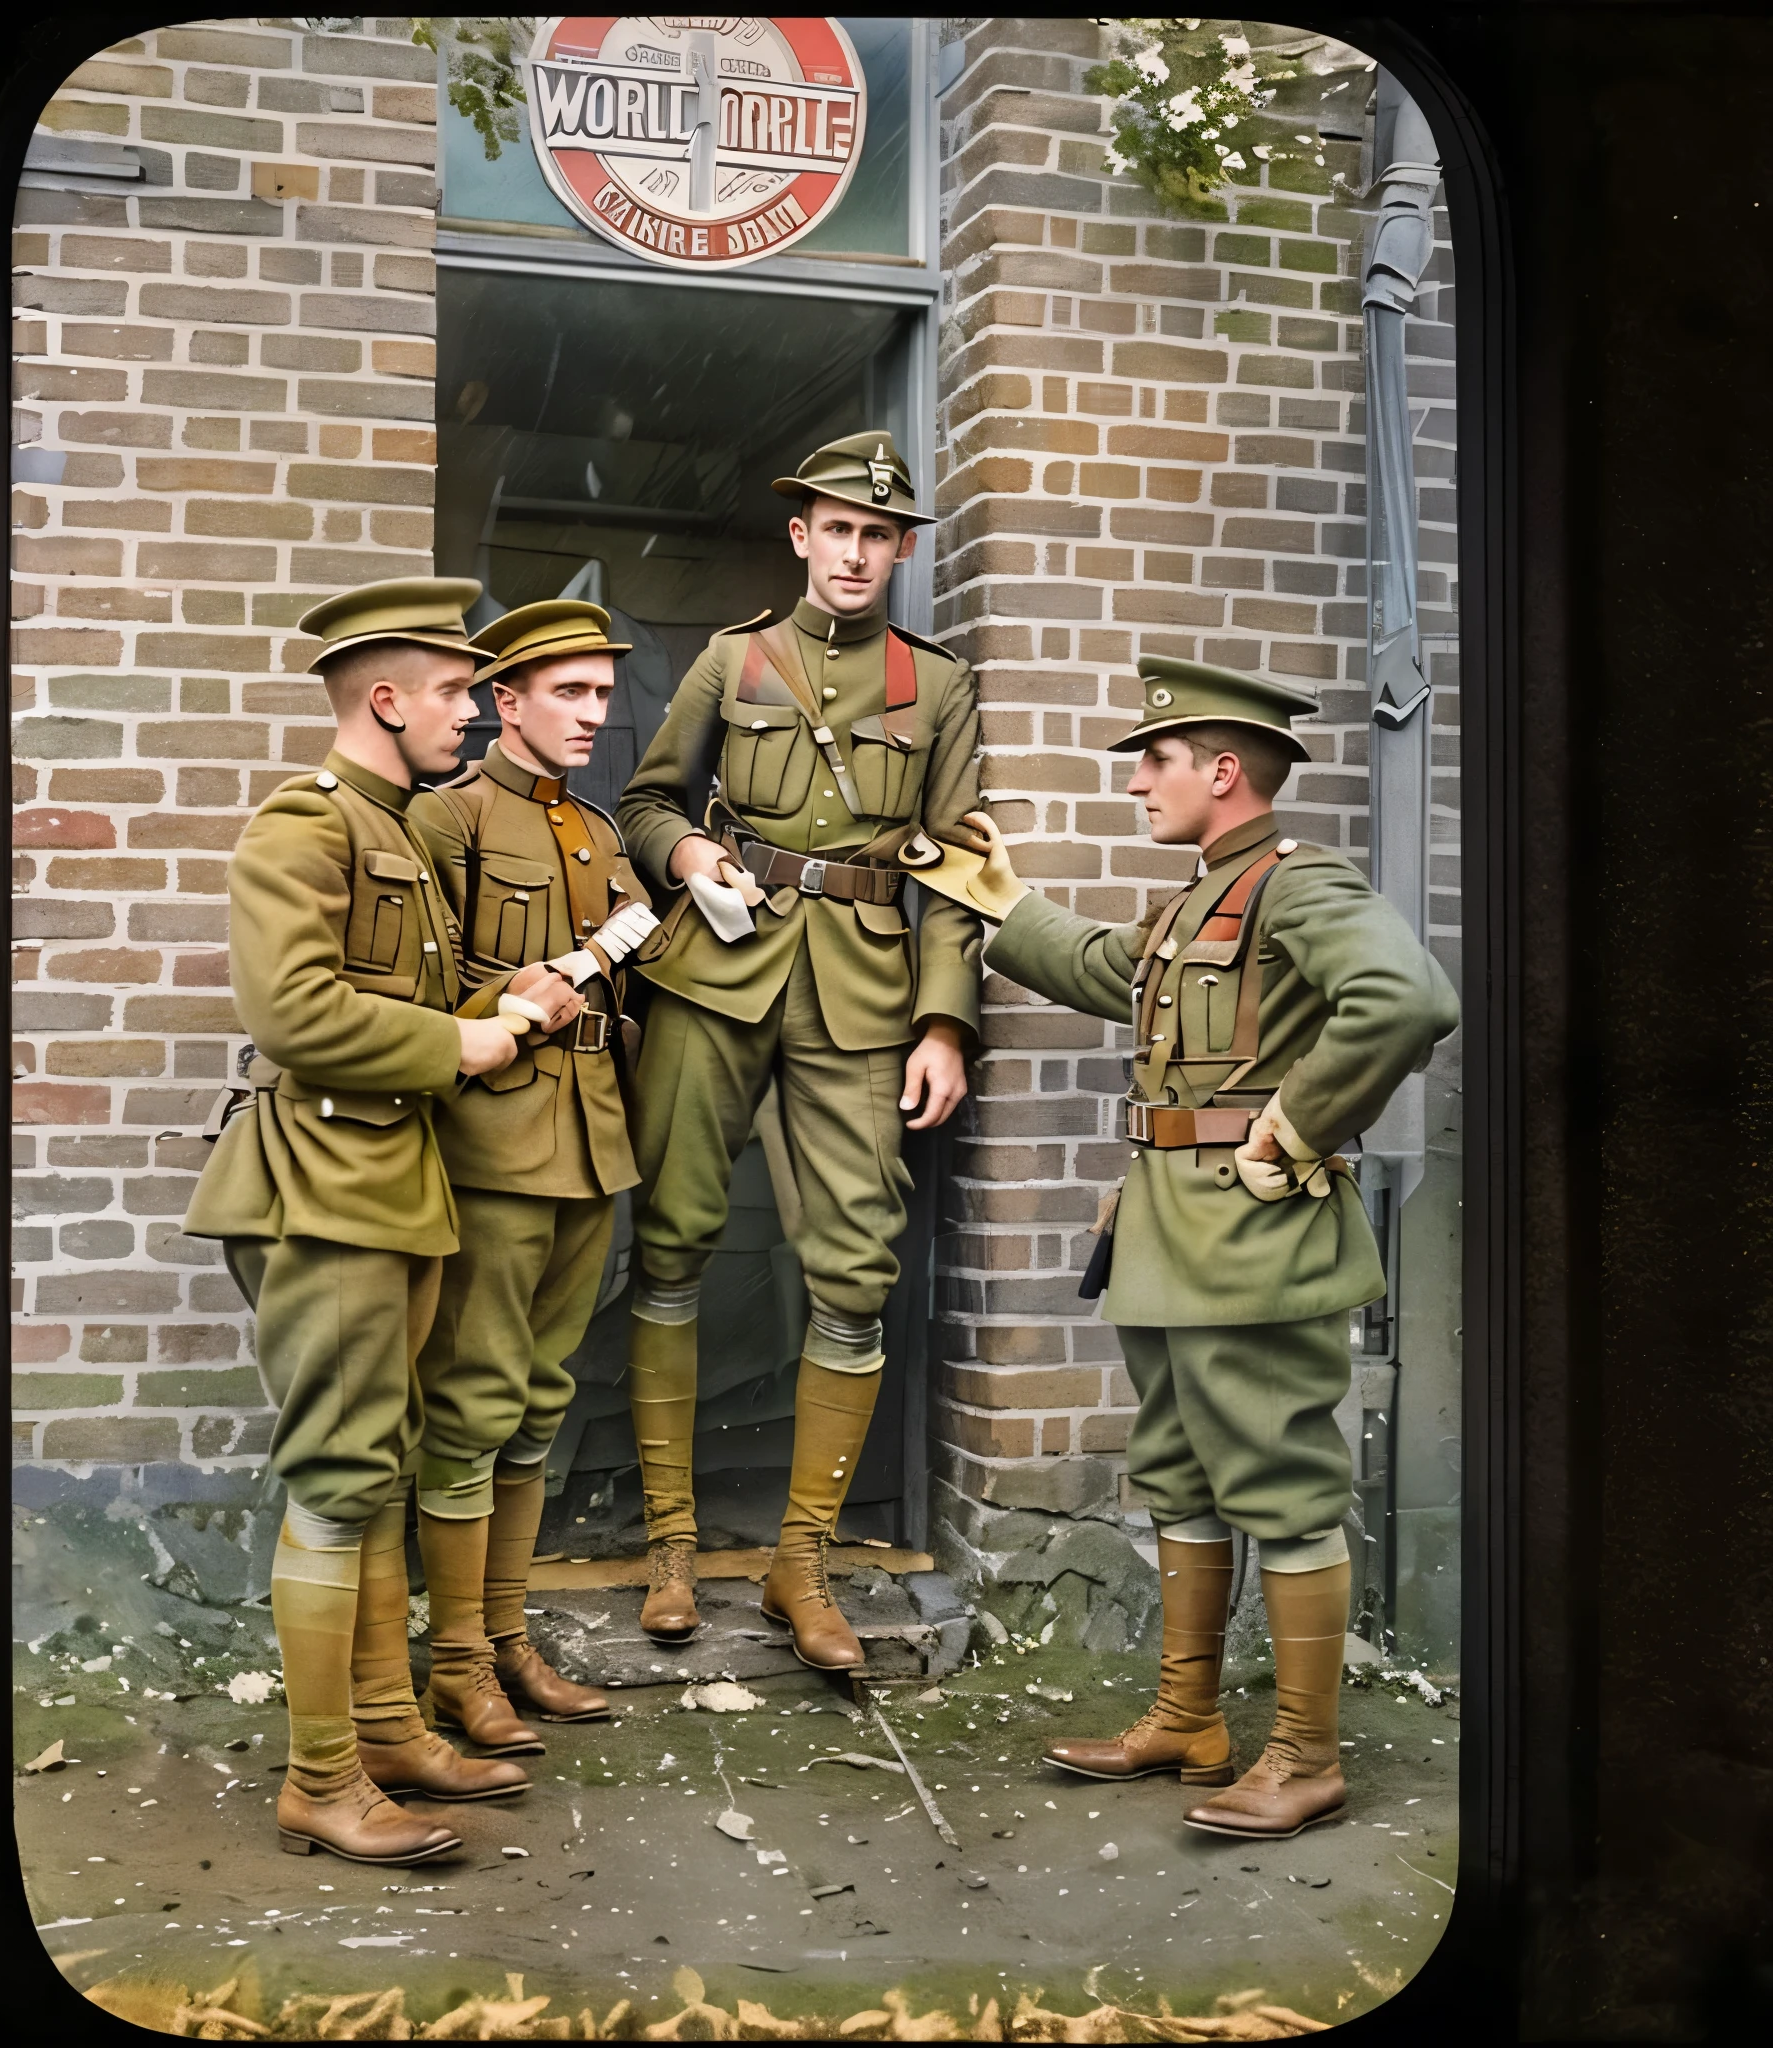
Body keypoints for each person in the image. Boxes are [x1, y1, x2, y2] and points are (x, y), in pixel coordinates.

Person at [947, 655, 1457, 1840]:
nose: (1135, 780)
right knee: (1177, 1471)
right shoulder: (1196, 897)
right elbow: (1111, 972)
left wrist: (1296, 1123)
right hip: (1169, 1234)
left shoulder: (1296, 881)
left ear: (1221, 769)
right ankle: (1187, 1716)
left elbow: (1406, 999)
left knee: (1280, 1488)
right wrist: (1001, 903)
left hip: (1253, 1236)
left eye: (1153, 758)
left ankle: (1307, 1752)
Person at [183, 576, 584, 1864]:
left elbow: (386, 980)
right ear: (387, 699)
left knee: (381, 1464)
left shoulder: (391, 827)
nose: (469, 714)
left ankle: (385, 1725)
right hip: (325, 1188)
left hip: (385, 1184)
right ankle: (320, 1778)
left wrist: (496, 988)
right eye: (460, 693)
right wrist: (463, 1035)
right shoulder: (299, 831)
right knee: (343, 1475)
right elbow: (294, 1013)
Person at [615, 432, 979, 1668]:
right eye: (837, 529)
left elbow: (958, 868)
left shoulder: (934, 687)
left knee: (855, 1266)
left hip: (862, 996)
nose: (856, 553)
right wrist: (686, 855)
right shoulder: (733, 659)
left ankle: (799, 1562)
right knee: (669, 1239)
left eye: (878, 535)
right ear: (801, 537)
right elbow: (647, 800)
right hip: (716, 972)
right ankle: (670, 1546)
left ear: (901, 550)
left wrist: (942, 1020)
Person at [406, 599, 657, 1754]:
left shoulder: (598, 832)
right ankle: (454, 1661)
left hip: (590, 1140)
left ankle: (504, 1639)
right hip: (495, 1144)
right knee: (470, 1403)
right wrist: (507, 1002)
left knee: (537, 1403)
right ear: (504, 701)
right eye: (570, 693)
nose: (592, 716)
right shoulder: (446, 817)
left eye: (603, 696)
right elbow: (417, 983)